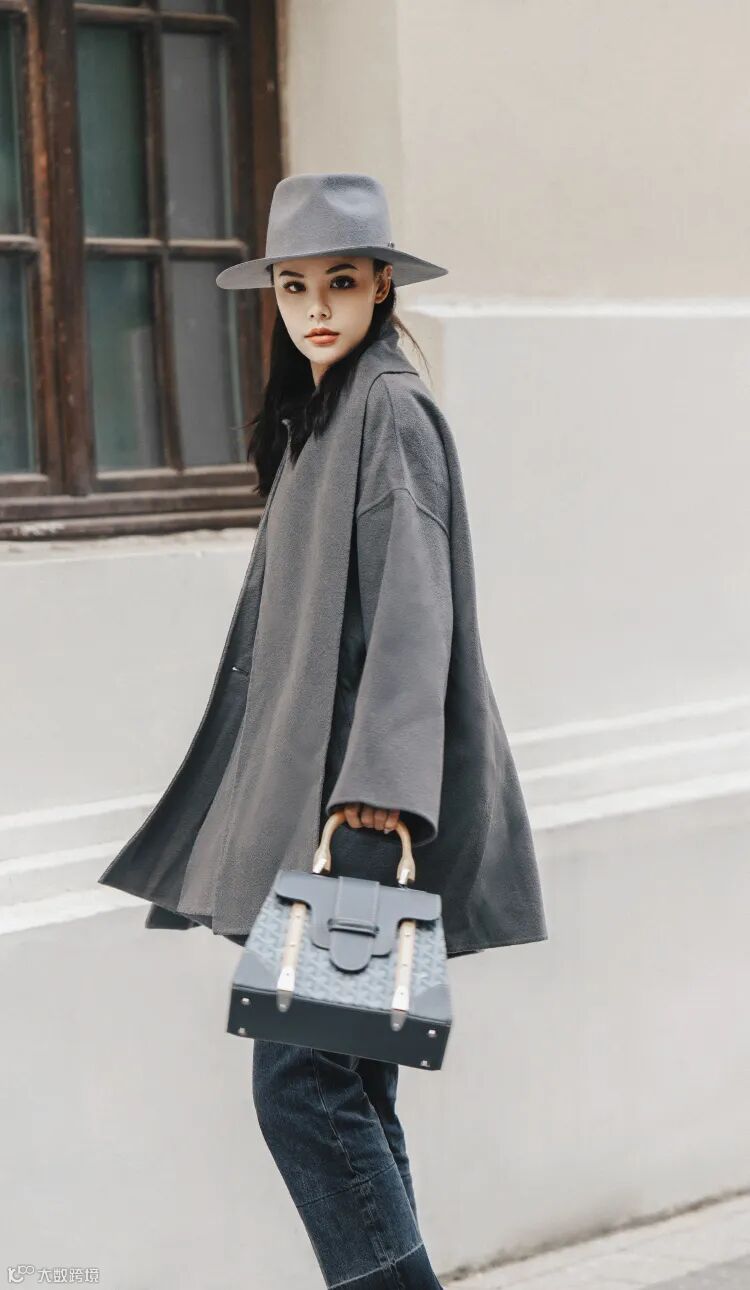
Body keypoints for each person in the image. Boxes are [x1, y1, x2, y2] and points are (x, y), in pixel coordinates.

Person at [98, 172, 548, 1289]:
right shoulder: (324, 412)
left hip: (360, 818)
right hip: (326, 809)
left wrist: (376, 807)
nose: (315, 306)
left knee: (300, 1088)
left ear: (381, 285)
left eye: (340, 282)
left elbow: (413, 617)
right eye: (295, 286)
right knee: (347, 1087)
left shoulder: (388, 409)